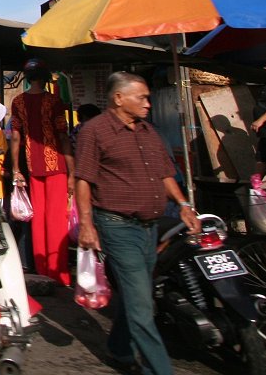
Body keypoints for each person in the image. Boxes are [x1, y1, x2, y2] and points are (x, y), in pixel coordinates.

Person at [76, 71, 200, 375]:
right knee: (143, 304)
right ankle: (159, 369)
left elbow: (165, 173)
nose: (148, 103)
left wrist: (184, 205)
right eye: (142, 97)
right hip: (117, 226)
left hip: (150, 226)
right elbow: (83, 181)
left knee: (138, 293)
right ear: (119, 98)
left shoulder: (148, 131)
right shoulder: (95, 131)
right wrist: (87, 225)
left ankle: (120, 348)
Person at [9, 58, 74, 286]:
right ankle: (59, 273)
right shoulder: (54, 101)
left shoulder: (18, 102)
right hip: (56, 165)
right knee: (56, 219)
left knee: (38, 220)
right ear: (46, 77)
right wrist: (72, 171)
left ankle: (43, 271)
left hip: (33, 166)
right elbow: (63, 136)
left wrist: (17, 169)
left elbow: (15, 137)